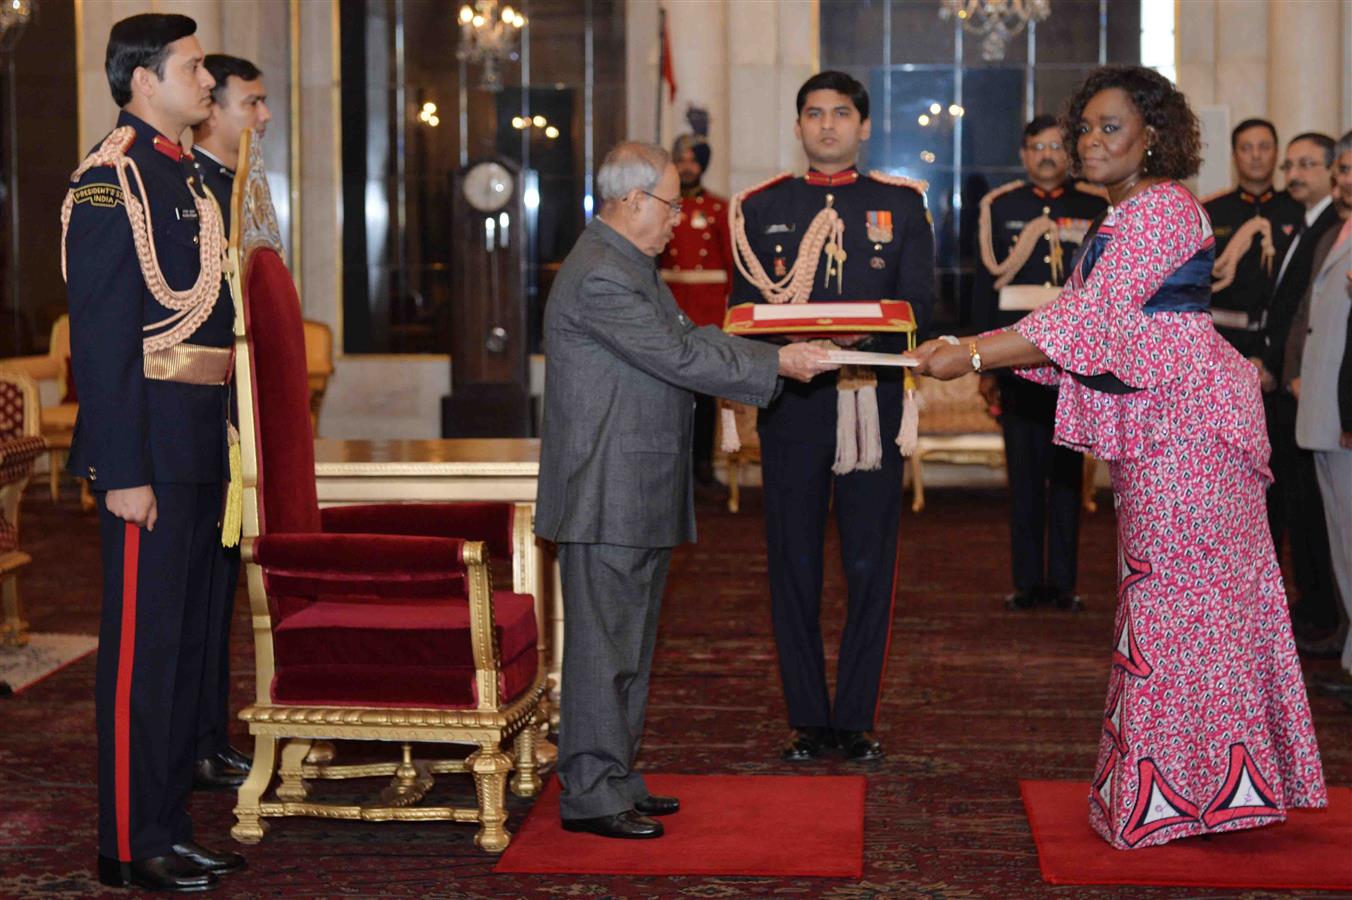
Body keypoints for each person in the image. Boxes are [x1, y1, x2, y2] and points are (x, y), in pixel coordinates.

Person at [908, 65, 1326, 849]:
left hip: (1191, 435)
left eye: (1109, 127)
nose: (1089, 142)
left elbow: (1084, 323)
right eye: (1084, 128)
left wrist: (970, 353)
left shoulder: (1160, 210)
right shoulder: (1128, 217)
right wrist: (980, 351)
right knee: (1180, 611)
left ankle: (1185, 794)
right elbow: (1087, 330)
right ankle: (1204, 787)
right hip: (1167, 427)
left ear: (1154, 137)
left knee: (1182, 612)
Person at [535, 141, 836, 840]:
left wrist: (769, 346)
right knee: (603, 649)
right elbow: (677, 354)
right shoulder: (602, 275)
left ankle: (614, 775)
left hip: (633, 483)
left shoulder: (628, 265)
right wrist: (778, 362)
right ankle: (589, 790)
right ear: (633, 200)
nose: (678, 218)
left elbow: (685, 336)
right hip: (606, 490)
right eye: (670, 204)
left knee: (631, 647)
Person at [64, 13, 246, 890]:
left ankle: (167, 824)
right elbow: (101, 345)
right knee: (143, 654)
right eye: (194, 66)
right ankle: (130, 844)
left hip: (197, 444)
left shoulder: (187, 180)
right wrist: (122, 470)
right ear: (144, 80)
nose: (206, 81)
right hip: (149, 457)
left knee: (181, 655)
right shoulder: (111, 184)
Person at [730, 70, 937, 763]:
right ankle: (806, 720)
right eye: (814, 114)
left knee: (869, 561)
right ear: (797, 126)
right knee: (792, 562)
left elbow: (918, 307)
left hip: (871, 403)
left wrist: (856, 338)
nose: (827, 126)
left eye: (841, 114)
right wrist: (792, 345)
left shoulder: (901, 206)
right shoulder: (760, 208)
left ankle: (854, 719)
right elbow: (742, 314)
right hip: (793, 404)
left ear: (865, 125)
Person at [972, 114, 1106, 611]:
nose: (1047, 155)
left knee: (1067, 478)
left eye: (1056, 146)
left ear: (1069, 154)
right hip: (1016, 361)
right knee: (1023, 477)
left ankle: (1064, 584)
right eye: (1037, 147)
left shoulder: (1095, 205)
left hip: (1072, 365)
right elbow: (987, 290)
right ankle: (1027, 583)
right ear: (1024, 154)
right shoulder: (1000, 205)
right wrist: (983, 364)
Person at [182, 51, 271, 794]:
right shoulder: (189, 190)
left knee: (218, 594)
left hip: (232, 421)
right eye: (252, 104)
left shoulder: (234, 189)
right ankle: (191, 743)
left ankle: (209, 737)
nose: (263, 118)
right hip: (199, 421)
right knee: (191, 601)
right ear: (212, 111)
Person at [1260, 132, 1342, 653]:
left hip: (1311, 385)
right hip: (1289, 382)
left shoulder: (1335, 226)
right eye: (1290, 164)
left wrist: (1282, 367)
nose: (1294, 174)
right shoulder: (1306, 224)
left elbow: (1309, 316)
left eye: (1307, 164)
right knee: (1299, 501)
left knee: (1316, 509)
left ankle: (1324, 613)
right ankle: (1313, 607)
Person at [1286, 130, 1352, 703]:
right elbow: (1307, 315)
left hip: (1345, 407)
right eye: (1344, 169)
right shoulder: (1334, 231)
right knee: (1340, 542)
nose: (1346, 179)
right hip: (1323, 405)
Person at [658, 132, 734, 491]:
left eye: (693, 160)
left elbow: (732, 265)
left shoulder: (719, 208)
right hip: (671, 305)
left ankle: (703, 463)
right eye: (681, 159)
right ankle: (676, 469)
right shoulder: (661, 206)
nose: (687, 166)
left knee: (704, 394)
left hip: (707, 312)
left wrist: (732, 311)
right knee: (670, 395)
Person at [1204, 119, 1303, 358]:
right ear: (1234, 155)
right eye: (1246, 148)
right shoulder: (1210, 211)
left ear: (1277, 153)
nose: (1256, 156)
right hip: (1220, 342)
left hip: (1281, 344)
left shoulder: (1297, 210)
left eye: (1264, 147)